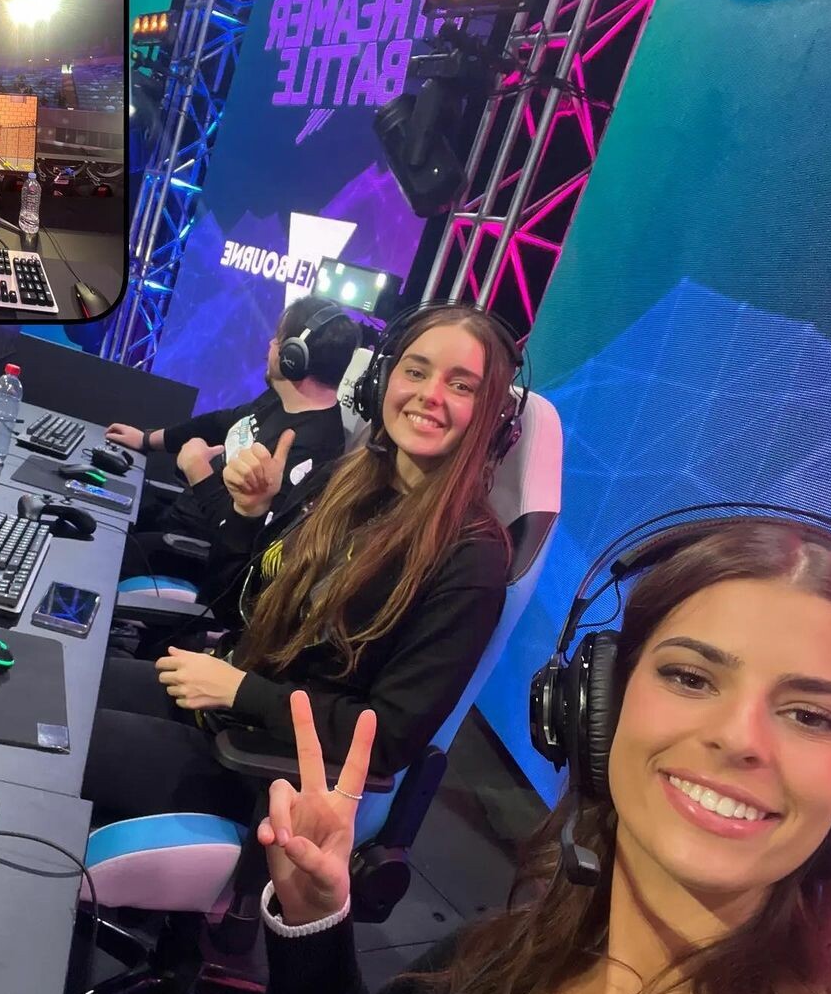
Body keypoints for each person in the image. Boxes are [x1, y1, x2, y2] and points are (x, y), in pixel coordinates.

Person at [257, 517, 831, 994]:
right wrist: (314, 919)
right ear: (593, 708)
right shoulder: (491, 960)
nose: (740, 739)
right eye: (690, 677)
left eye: (812, 716)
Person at [82, 305, 519, 823]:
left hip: (269, 772)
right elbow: (235, 608)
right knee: (57, 682)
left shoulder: (471, 559)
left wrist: (243, 692)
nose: (430, 394)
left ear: (493, 418)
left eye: (461, 385)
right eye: (416, 371)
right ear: (382, 382)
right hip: (229, 702)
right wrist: (248, 514)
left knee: (56, 740)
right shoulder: (341, 482)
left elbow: (388, 738)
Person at [106, 295, 361, 584]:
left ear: (294, 357)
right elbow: (220, 422)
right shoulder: (280, 399)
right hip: (181, 517)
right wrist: (146, 439)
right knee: (101, 500)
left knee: (105, 546)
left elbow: (245, 539)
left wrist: (198, 472)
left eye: (279, 339)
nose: (271, 344)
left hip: (199, 552)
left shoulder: (311, 448)